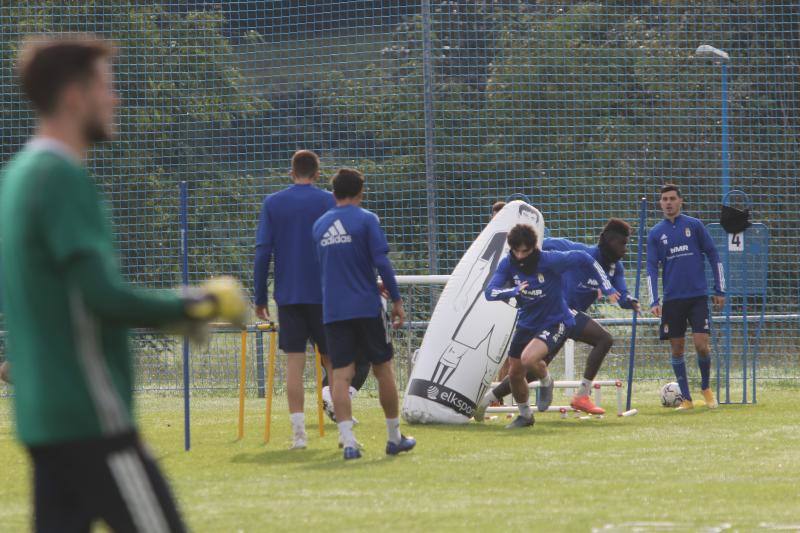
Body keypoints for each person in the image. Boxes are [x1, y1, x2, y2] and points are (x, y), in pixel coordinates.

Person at [0, 34, 247, 532]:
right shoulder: (61, 178)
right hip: (92, 420)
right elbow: (101, 297)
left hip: (45, 420)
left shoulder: (20, 175)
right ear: (74, 96)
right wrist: (192, 305)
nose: (116, 99)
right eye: (106, 86)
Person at [476, 218, 639, 418]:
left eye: (626, 244)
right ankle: (490, 399)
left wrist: (629, 301)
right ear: (606, 240)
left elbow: (619, 295)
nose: (624, 249)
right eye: (621, 243)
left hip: (565, 317)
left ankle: (581, 395)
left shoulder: (615, 268)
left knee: (603, 340)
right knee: (529, 370)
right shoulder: (574, 251)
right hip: (555, 312)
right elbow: (546, 244)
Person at [312, 168, 415, 460]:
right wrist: (396, 299)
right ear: (360, 192)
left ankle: (348, 443)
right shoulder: (367, 220)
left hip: (333, 310)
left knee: (340, 376)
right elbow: (381, 262)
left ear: (333, 193)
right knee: (383, 369)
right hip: (366, 307)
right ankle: (394, 438)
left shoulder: (319, 226)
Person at [253, 149, 336, 449]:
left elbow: (263, 252)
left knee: (294, 364)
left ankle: (299, 434)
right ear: (316, 174)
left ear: (291, 172)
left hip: (289, 294)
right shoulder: (328, 200)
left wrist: (259, 295)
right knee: (334, 362)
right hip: (324, 294)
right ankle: (344, 430)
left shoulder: (273, 202)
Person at [647, 184, 725, 410]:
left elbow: (713, 255)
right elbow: (651, 268)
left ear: (680, 201)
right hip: (673, 300)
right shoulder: (656, 233)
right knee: (677, 349)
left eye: (672, 198)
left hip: (697, 297)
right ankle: (687, 399)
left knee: (701, 345)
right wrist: (654, 300)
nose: (668, 203)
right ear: (660, 203)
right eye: (664, 199)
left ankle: (706, 388)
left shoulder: (694, 225)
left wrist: (719, 289)